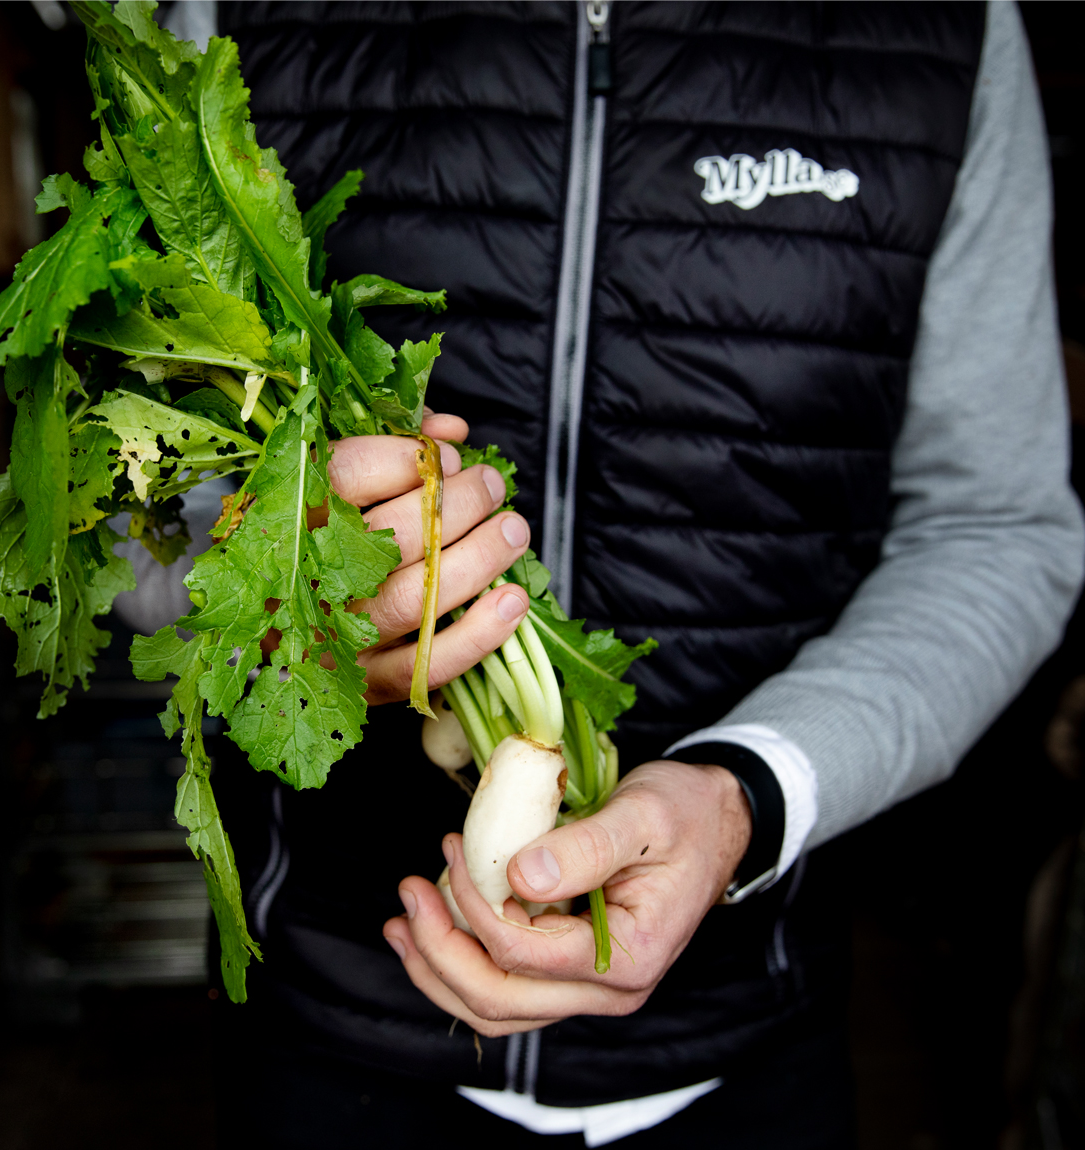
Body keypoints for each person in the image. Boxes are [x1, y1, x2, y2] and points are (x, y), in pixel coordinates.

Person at [149, 2, 1084, 1146]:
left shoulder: (945, 31)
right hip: (331, 1031)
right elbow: (133, 516)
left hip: (744, 1047)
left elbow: (998, 526)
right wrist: (283, 593)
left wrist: (754, 790)